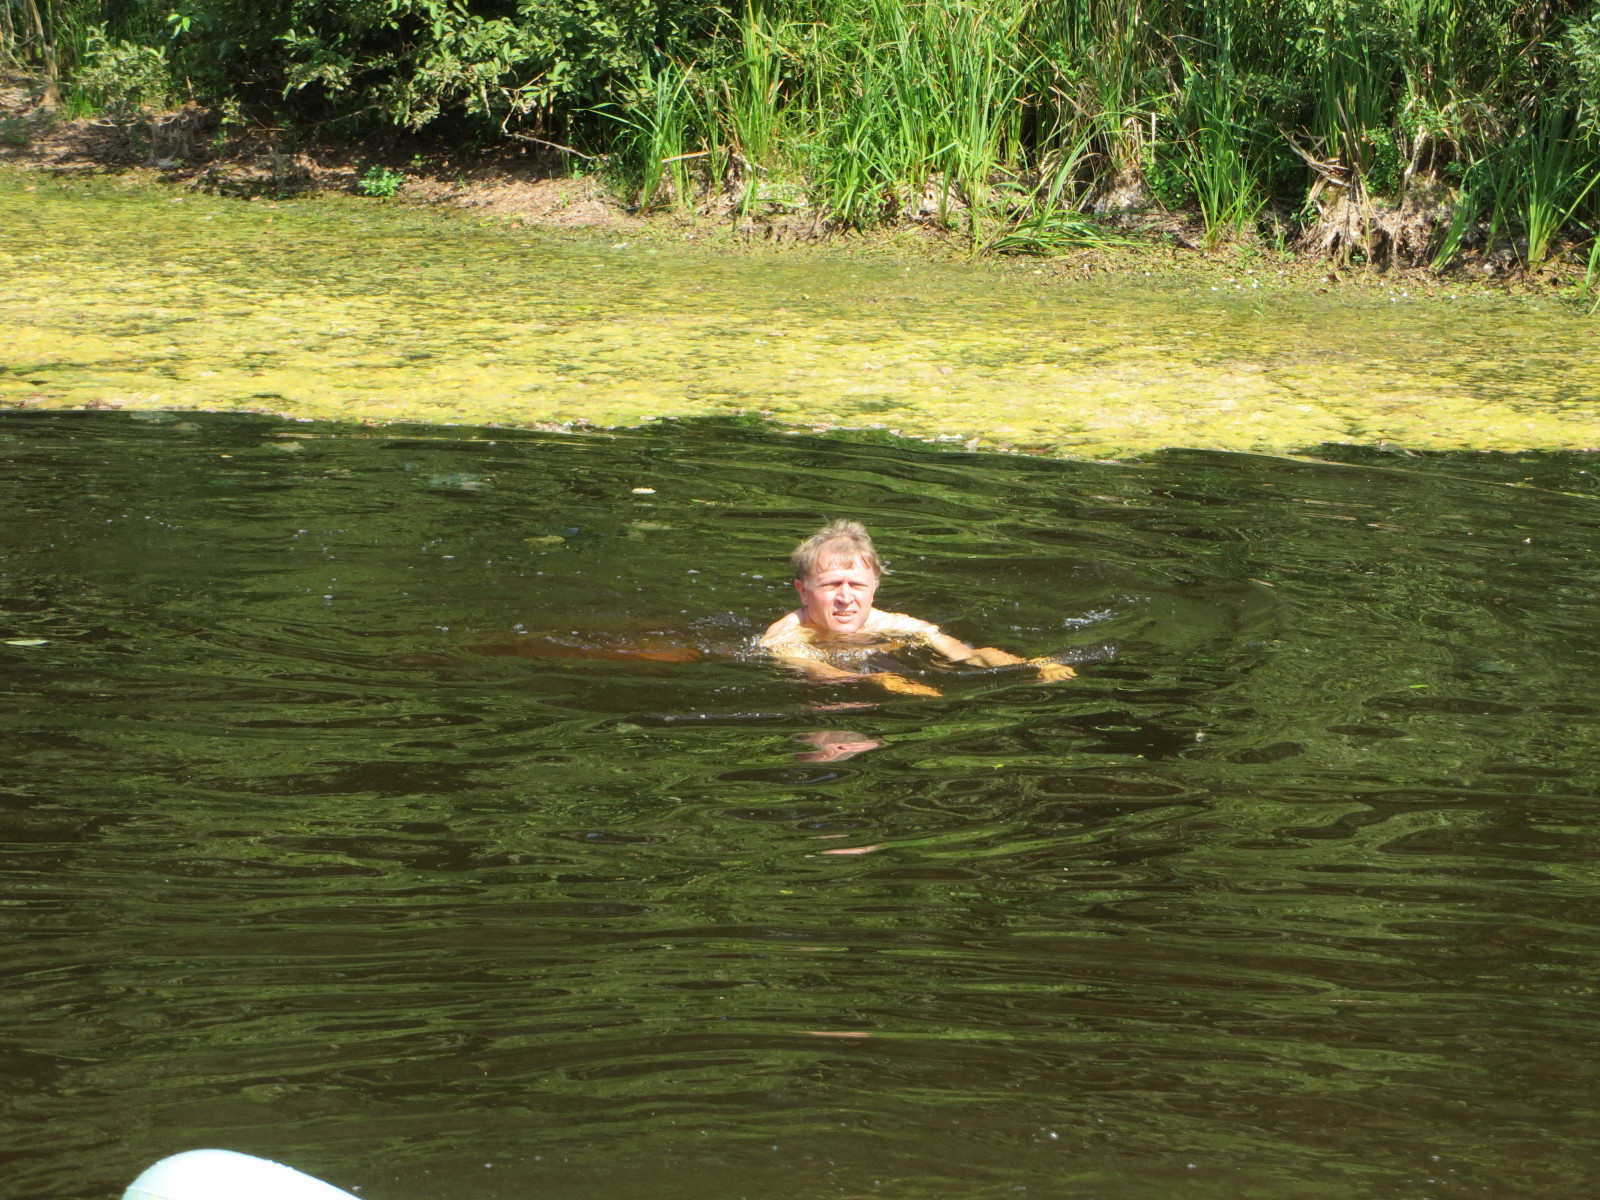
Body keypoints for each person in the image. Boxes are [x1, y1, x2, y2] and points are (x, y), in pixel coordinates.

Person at [760, 519, 1076, 697]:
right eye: (831, 585)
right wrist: (886, 681)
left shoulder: (888, 622)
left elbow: (964, 652)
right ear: (803, 591)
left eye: (856, 585)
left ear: (874, 587)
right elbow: (823, 672)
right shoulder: (787, 636)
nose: (845, 598)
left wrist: (1034, 665)